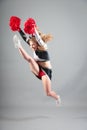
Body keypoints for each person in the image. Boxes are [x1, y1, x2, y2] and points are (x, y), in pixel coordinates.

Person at [9, 16, 61, 105]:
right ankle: (19, 46)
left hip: (46, 73)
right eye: (31, 45)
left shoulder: (43, 47)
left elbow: (38, 38)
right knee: (30, 59)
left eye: (33, 45)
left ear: (37, 43)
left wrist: (33, 28)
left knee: (48, 93)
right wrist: (18, 29)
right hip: (37, 68)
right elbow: (25, 37)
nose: (32, 46)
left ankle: (57, 97)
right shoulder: (32, 44)